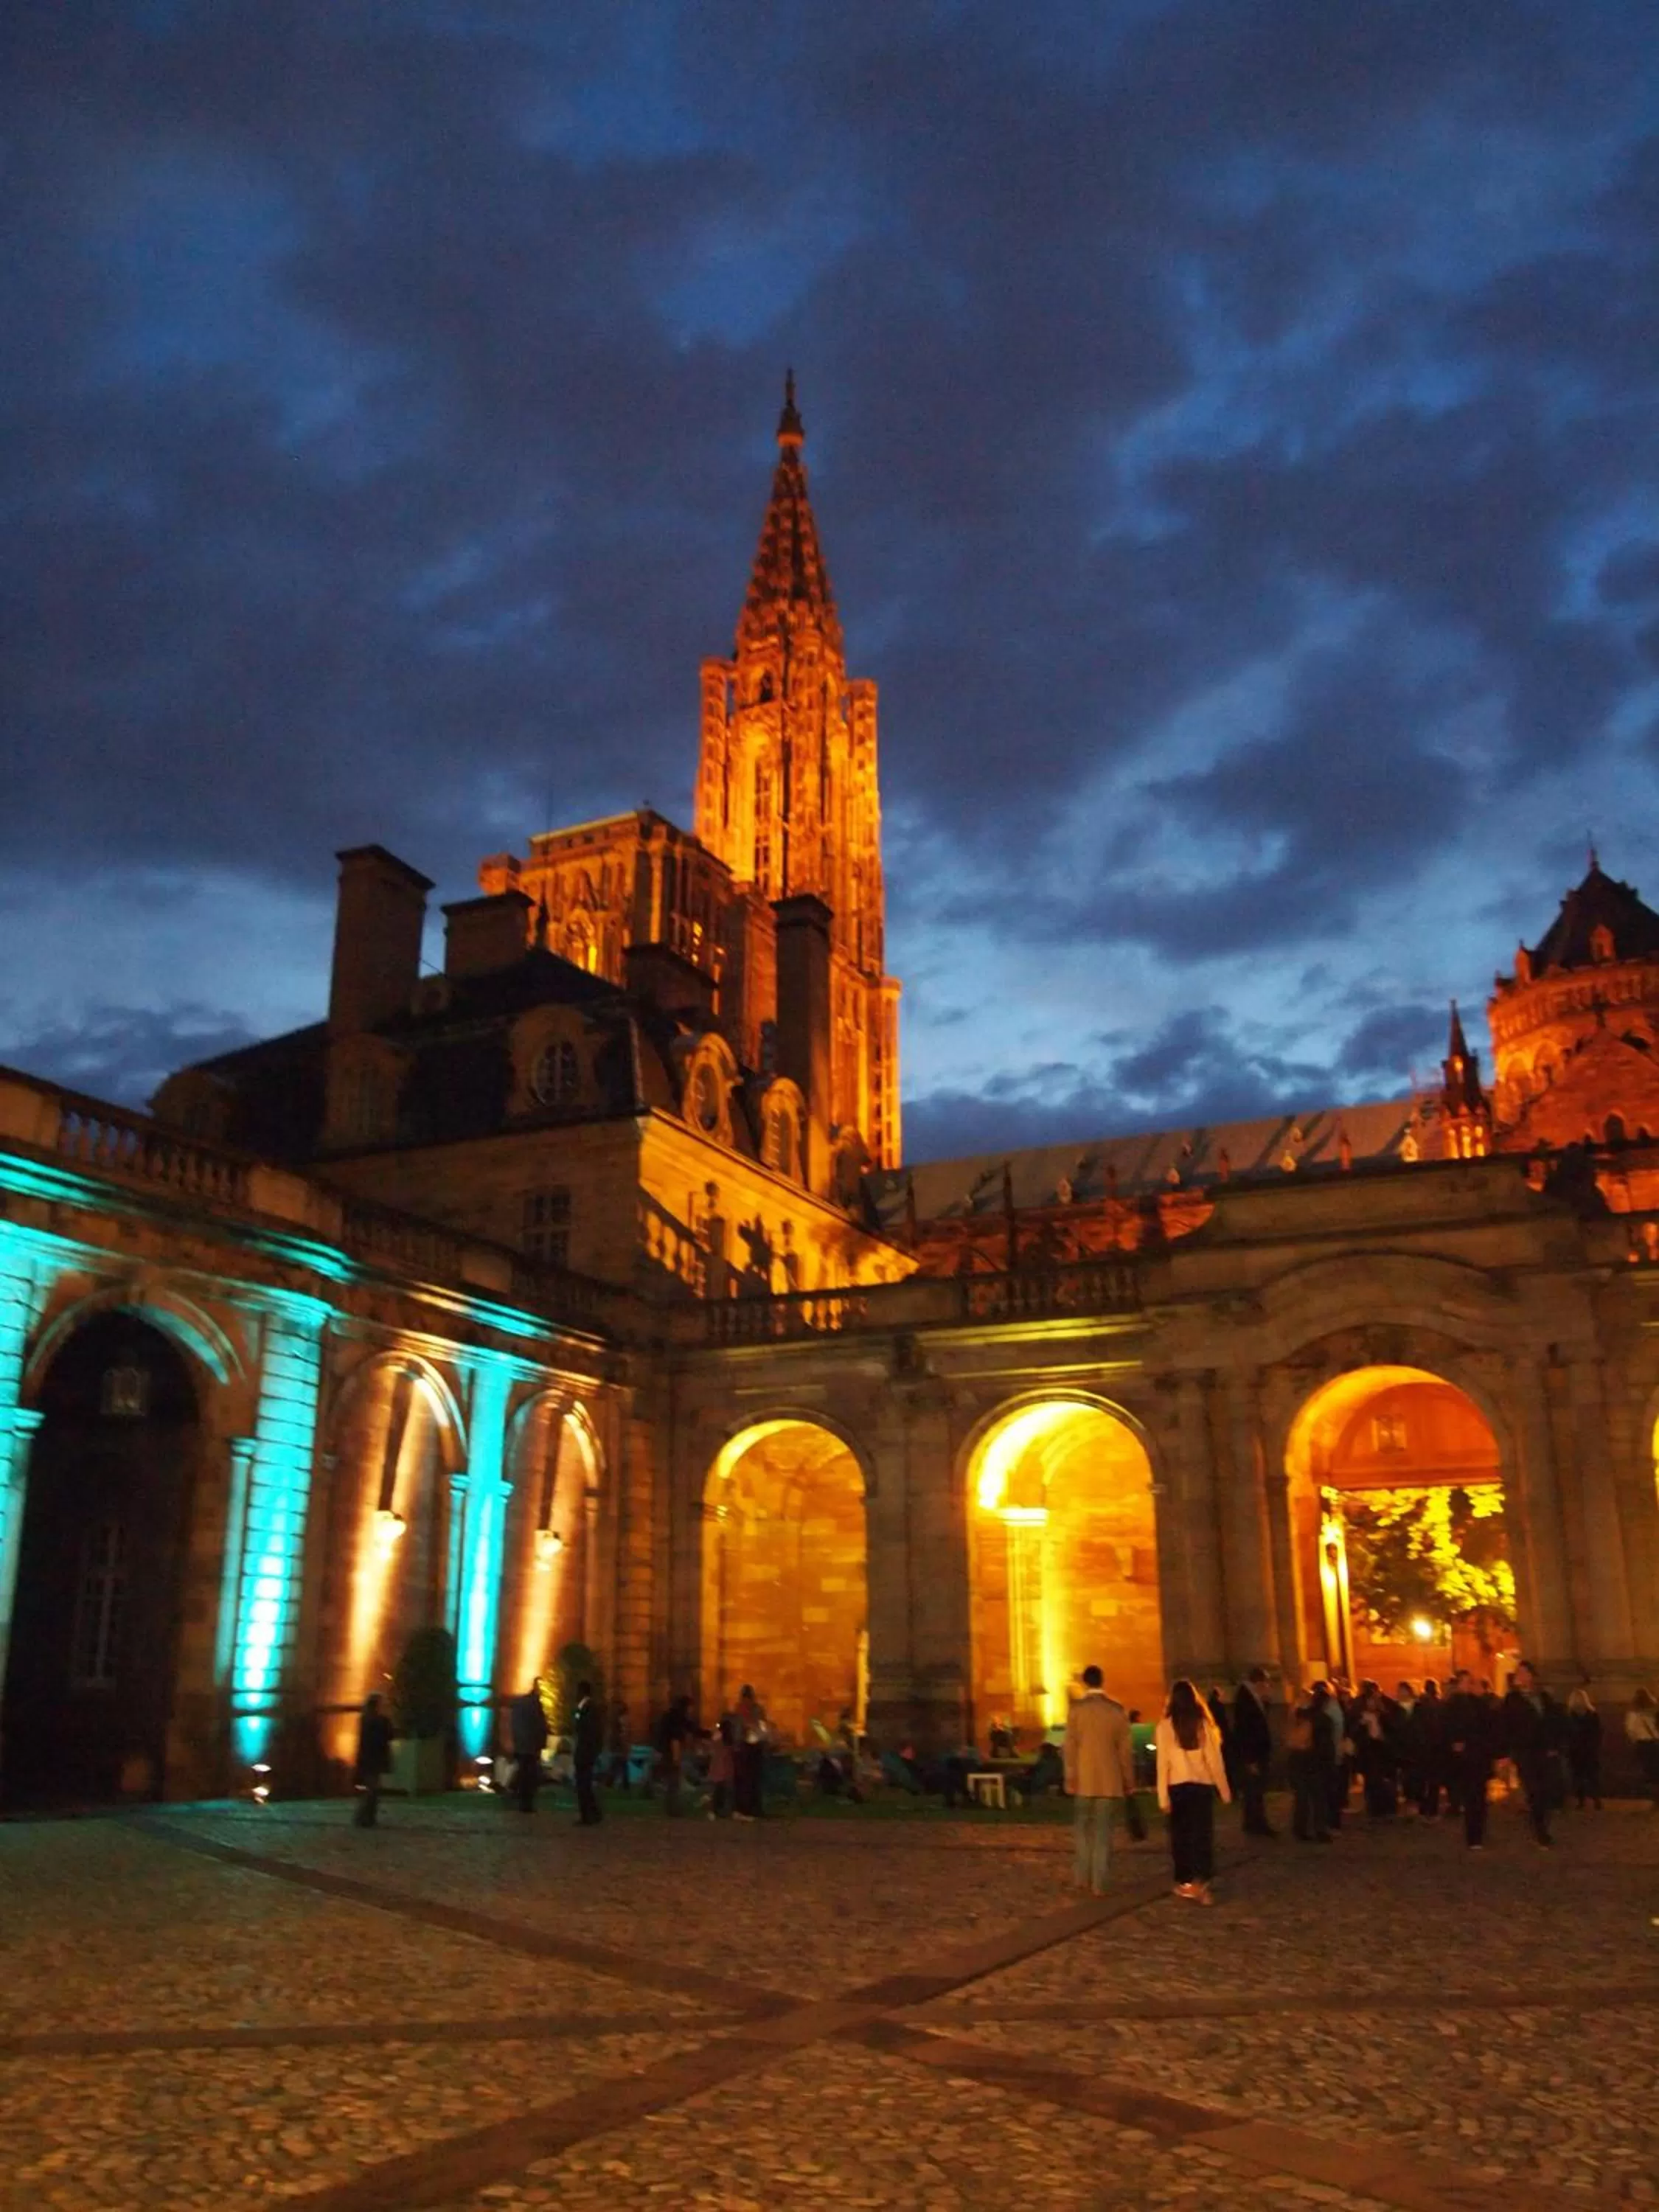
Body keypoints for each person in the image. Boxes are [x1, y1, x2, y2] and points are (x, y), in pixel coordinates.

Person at [1062, 1663, 1135, 1895]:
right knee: (1103, 1832)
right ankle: (1099, 1882)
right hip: (1109, 1779)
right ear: (1102, 1681)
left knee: (1083, 1829)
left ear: (1085, 1682)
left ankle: (1082, 1876)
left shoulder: (1076, 1711)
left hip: (1083, 1778)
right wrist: (1128, 1779)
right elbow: (1125, 1751)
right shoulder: (1116, 1710)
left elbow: (1070, 1746)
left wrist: (1070, 1775)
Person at [1156, 1677, 1232, 1903]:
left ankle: (1186, 1881)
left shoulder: (1165, 1727)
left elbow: (1163, 1765)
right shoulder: (1204, 1725)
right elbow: (1214, 1760)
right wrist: (1224, 1789)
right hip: (1201, 1785)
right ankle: (1202, 1882)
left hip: (1178, 1786)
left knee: (1181, 1837)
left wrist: (1162, 1797)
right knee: (1202, 1835)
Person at [1502, 1660, 1566, 1846]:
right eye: (1517, 1673)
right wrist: (1507, 1752)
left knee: (1547, 1792)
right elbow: (1506, 1726)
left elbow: (1554, 1722)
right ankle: (1541, 1831)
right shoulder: (1511, 1700)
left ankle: (1542, 1823)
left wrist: (1555, 1745)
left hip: (1546, 1752)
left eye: (1523, 1672)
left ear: (1532, 1675)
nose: (1520, 1676)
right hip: (1525, 1753)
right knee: (1534, 1791)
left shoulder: (1544, 1698)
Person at [1442, 1668, 1497, 1848]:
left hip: (1479, 1757)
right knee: (1470, 1797)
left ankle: (1478, 1833)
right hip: (1464, 1760)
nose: (1467, 1685)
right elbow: (1445, 1730)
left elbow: (1489, 1727)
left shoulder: (1478, 1704)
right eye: (1464, 1682)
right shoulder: (1451, 1705)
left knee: (1479, 1798)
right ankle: (1473, 1836)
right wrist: (1454, 1743)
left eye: (1469, 1681)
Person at [1231, 1667, 1276, 1837]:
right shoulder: (1245, 1698)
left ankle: (1254, 1822)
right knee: (1254, 1790)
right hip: (1253, 1754)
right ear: (1259, 1681)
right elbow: (1245, 1730)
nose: (1268, 1686)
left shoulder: (1254, 1697)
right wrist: (1250, 1759)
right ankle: (1256, 1823)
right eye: (1266, 1682)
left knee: (1256, 1790)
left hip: (1257, 1753)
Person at [1287, 1683, 1331, 1842]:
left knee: (1302, 1797)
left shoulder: (1299, 1714)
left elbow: (1290, 1731)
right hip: (1315, 1762)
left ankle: (1300, 1829)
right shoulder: (1324, 1719)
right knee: (1318, 1797)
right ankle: (1320, 1829)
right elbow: (1326, 1746)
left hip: (1298, 1760)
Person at [352, 1691, 394, 1828]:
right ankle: (364, 1818)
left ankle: (365, 1817)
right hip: (374, 1758)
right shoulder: (379, 1721)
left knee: (372, 1789)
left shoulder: (366, 1719)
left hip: (368, 1758)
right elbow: (387, 1735)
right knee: (372, 1790)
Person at [507, 1682, 549, 1815]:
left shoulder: (519, 1705)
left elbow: (515, 1726)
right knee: (530, 1776)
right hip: (531, 1746)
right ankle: (526, 1802)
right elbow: (540, 1726)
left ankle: (519, 1798)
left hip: (522, 1746)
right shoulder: (535, 1706)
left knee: (524, 1772)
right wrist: (541, 1743)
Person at [732, 1683, 768, 1820]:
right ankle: (744, 1808)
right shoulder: (740, 1710)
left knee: (755, 1780)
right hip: (744, 1747)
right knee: (744, 1780)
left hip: (755, 1747)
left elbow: (763, 1728)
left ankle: (755, 1808)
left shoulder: (757, 1710)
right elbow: (737, 1729)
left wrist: (763, 1740)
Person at [571, 1679, 604, 1826]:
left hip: (585, 1752)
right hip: (586, 1751)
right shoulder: (587, 1707)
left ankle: (587, 1816)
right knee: (585, 1784)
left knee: (583, 1784)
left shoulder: (588, 1708)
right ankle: (594, 1813)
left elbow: (588, 1732)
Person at [658, 1693, 695, 1815]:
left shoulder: (672, 1716)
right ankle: (673, 1809)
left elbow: (691, 1728)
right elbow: (675, 1739)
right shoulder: (676, 1719)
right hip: (671, 1753)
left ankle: (671, 1808)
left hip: (665, 1751)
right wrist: (676, 1757)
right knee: (673, 1782)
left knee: (671, 1783)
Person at [1565, 1687, 1602, 1810]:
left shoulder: (1570, 1716)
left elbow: (1567, 1734)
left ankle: (1581, 1801)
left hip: (1576, 1751)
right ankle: (1596, 1800)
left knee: (1578, 1777)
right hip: (1590, 1751)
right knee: (1592, 1777)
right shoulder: (1593, 1715)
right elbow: (1598, 1733)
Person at [1626, 1686, 1659, 1807]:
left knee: (1648, 1770)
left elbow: (1630, 1730)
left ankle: (1654, 1796)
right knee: (1656, 1770)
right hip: (1655, 1743)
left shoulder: (1633, 1715)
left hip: (1642, 1744)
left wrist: (1634, 1740)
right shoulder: (1652, 1712)